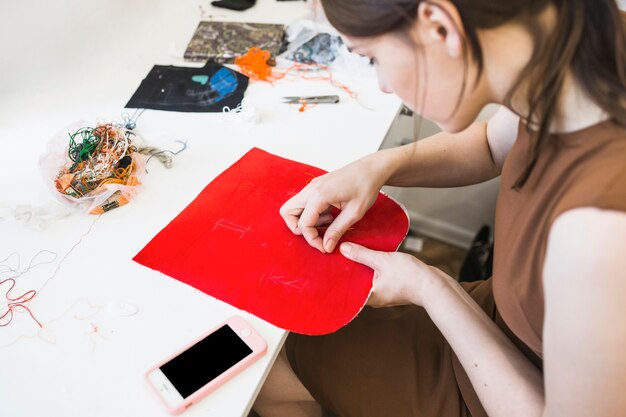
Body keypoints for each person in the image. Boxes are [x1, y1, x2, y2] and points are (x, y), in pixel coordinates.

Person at [254, 0, 626, 416]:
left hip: (502, 393)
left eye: (374, 58)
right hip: (497, 323)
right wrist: (377, 166)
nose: (384, 85)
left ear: (440, 26)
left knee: (270, 362)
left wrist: (432, 289)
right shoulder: (576, 46)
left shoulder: (601, 231)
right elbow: (491, 144)